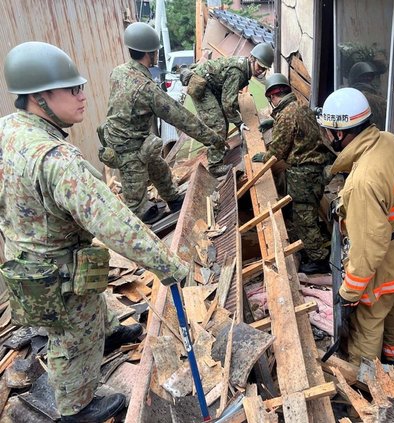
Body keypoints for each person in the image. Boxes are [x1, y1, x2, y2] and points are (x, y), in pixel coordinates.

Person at [0, 41, 190, 422]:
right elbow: (115, 224)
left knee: (90, 300)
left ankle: (106, 330)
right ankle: (76, 407)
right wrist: (168, 263)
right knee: (71, 339)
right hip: (59, 273)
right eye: (72, 90)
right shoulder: (56, 159)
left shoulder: (8, 130)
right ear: (40, 98)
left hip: (25, 261)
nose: (83, 96)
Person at [318, 87, 394, 366]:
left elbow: (368, 247)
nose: (327, 136)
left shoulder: (362, 183)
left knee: (369, 319)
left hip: (384, 260)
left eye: (328, 131)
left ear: (340, 133)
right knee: (392, 303)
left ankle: (367, 381)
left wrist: (350, 291)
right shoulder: (390, 142)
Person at [100, 22, 225, 223]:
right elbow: (182, 118)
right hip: (127, 151)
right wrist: (213, 139)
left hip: (130, 141)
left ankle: (174, 199)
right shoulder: (146, 89)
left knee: (159, 168)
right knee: (138, 210)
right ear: (151, 53)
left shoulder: (118, 71)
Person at [252, 74, 335, 274]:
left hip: (303, 174)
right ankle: (319, 246)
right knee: (310, 213)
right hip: (316, 170)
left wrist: (264, 156)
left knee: (303, 217)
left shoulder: (286, 115)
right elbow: (297, 129)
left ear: (273, 96)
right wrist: (273, 124)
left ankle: (319, 260)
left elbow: (278, 151)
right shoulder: (300, 107)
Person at [181, 42, 274, 177]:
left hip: (212, 88)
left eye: (264, 69)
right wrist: (239, 123)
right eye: (260, 66)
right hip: (202, 87)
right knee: (218, 125)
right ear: (252, 59)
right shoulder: (238, 72)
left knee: (223, 121)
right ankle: (214, 166)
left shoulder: (244, 68)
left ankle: (218, 151)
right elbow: (227, 103)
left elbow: (228, 96)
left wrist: (234, 113)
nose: (260, 71)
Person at [348, 61, 386, 130]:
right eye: (364, 76)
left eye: (370, 76)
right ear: (357, 78)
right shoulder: (363, 96)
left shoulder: (372, 93)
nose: (368, 78)